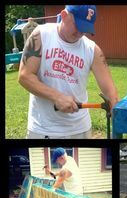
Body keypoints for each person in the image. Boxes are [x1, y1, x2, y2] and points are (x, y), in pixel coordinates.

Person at [18, 5, 119, 139]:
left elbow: (110, 90)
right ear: (64, 15)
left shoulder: (92, 50)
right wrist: (57, 97)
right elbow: (24, 76)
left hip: (81, 128)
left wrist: (116, 110)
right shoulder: (41, 35)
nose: (80, 33)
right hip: (44, 129)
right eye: (77, 25)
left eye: (85, 29)